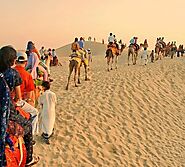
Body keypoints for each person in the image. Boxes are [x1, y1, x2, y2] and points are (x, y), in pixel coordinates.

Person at [0, 46, 39, 166]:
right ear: (12, 60)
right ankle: (29, 159)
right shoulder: (14, 74)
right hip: (8, 107)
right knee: (28, 124)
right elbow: (18, 98)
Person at [15, 52, 39, 135]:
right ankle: (31, 135)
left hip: (7, 99)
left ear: (15, 61)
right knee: (35, 112)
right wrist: (29, 101)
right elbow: (30, 93)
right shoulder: (27, 75)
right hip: (18, 101)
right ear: (25, 62)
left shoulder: (9, 71)